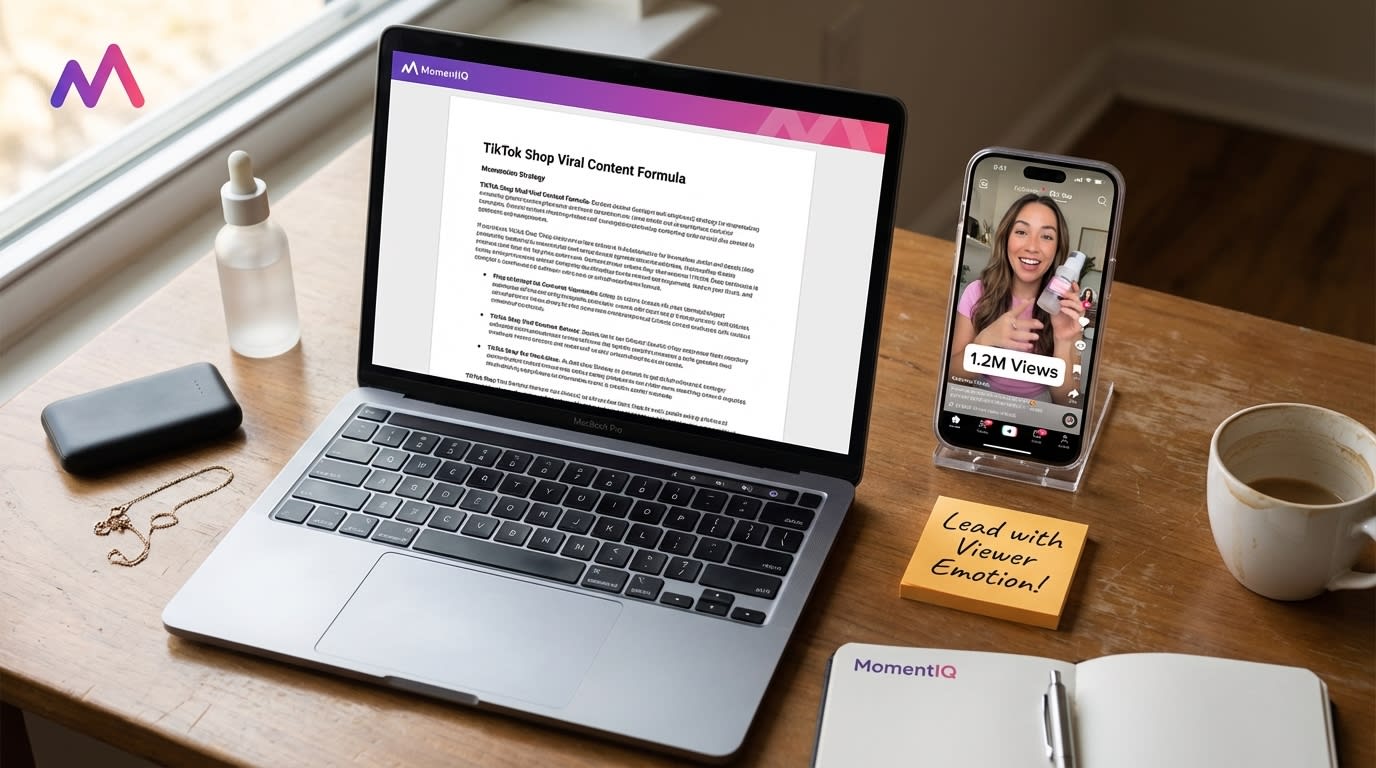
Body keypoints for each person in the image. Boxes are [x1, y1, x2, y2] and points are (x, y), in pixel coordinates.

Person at [947, 193, 1087, 405]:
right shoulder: (977, 293)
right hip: (980, 396)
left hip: (1037, 405)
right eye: (1021, 232)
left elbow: (1068, 403)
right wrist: (985, 342)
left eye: (1047, 236)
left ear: (1058, 249)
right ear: (1006, 239)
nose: (1032, 246)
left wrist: (1064, 340)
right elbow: (952, 378)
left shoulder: (1067, 309)